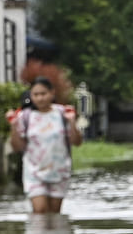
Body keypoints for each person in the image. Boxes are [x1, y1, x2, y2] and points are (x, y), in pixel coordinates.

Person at [8, 76, 82, 214]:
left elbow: (77, 142)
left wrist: (72, 122)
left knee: (54, 213)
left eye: (43, 94)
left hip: (59, 170)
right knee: (40, 210)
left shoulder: (62, 113)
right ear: (31, 95)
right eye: (36, 94)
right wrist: (13, 126)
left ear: (52, 93)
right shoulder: (25, 116)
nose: (40, 98)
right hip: (34, 171)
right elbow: (17, 147)